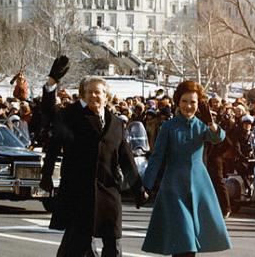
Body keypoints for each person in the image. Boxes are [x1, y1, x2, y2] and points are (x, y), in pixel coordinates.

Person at [41, 56, 146, 257]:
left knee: (112, 247)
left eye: (97, 93)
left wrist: (138, 188)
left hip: (108, 192)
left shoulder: (116, 123)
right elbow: (49, 112)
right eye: (89, 93)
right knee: (75, 247)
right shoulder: (72, 118)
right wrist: (52, 82)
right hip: (80, 193)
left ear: (106, 96)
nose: (93, 96)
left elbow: (126, 158)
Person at [142, 80, 232, 257]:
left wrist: (211, 122)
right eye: (184, 101)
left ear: (199, 104)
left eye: (193, 102)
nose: (188, 106)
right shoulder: (168, 127)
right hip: (174, 187)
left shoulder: (202, 125)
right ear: (178, 102)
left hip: (199, 186)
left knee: (190, 242)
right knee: (183, 239)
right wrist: (146, 185)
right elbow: (157, 156)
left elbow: (218, 138)